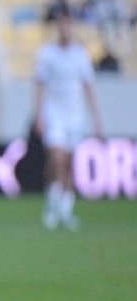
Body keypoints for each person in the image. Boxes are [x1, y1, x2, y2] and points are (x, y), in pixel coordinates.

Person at [33, 12, 104, 230]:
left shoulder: (80, 55)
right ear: (58, 28)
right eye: (62, 26)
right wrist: (39, 115)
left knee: (70, 164)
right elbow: (40, 85)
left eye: (69, 26)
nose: (65, 30)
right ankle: (52, 207)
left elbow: (88, 87)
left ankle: (64, 211)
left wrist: (97, 119)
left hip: (75, 116)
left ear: (72, 28)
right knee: (57, 159)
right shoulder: (47, 54)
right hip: (55, 114)